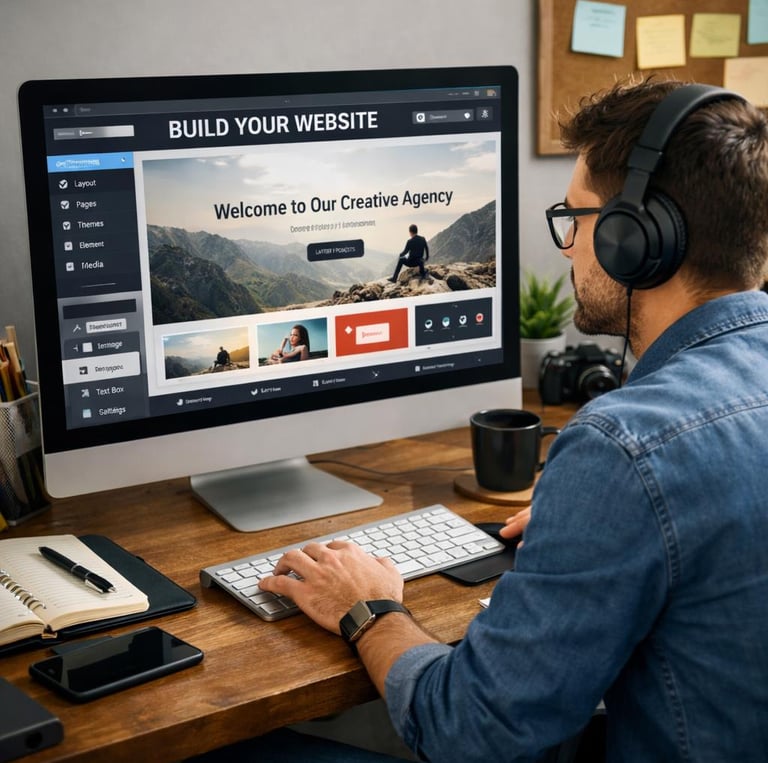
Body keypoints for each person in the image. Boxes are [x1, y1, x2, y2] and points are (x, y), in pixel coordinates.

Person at [205, 78, 768, 762]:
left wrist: (367, 607)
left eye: (577, 219)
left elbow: (469, 730)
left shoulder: (626, 449)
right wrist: (603, 522)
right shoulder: (645, 464)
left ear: (636, 240)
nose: (567, 247)